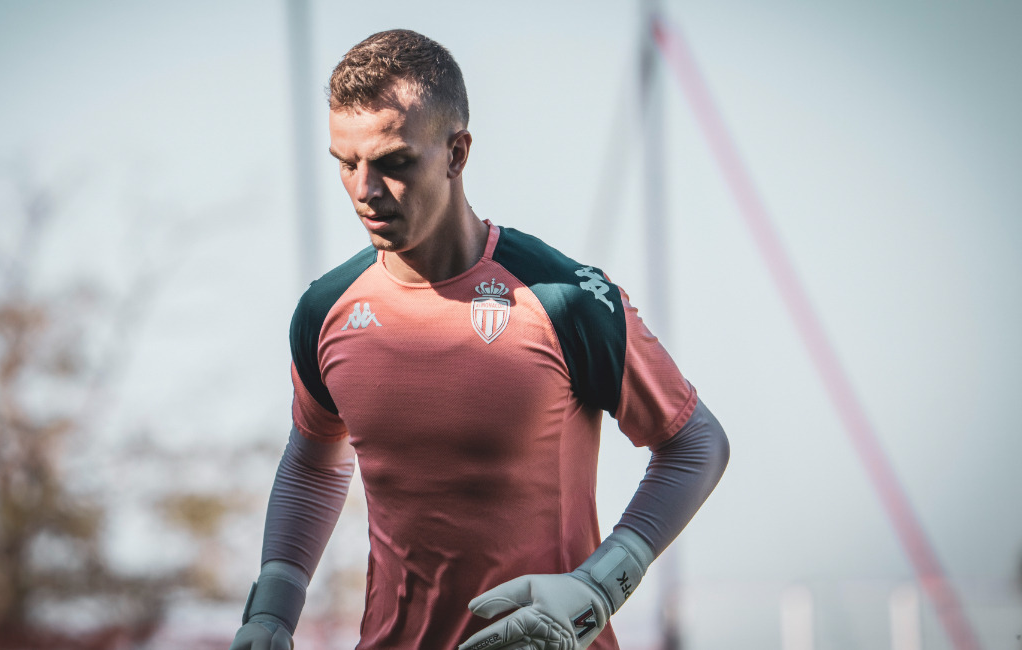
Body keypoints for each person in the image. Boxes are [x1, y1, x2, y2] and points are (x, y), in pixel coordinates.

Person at [230, 29, 729, 650]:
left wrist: (599, 588)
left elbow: (695, 443)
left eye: (393, 162)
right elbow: (313, 461)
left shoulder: (563, 298)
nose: (364, 190)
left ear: (457, 153)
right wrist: (271, 615)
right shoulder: (325, 310)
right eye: (347, 163)